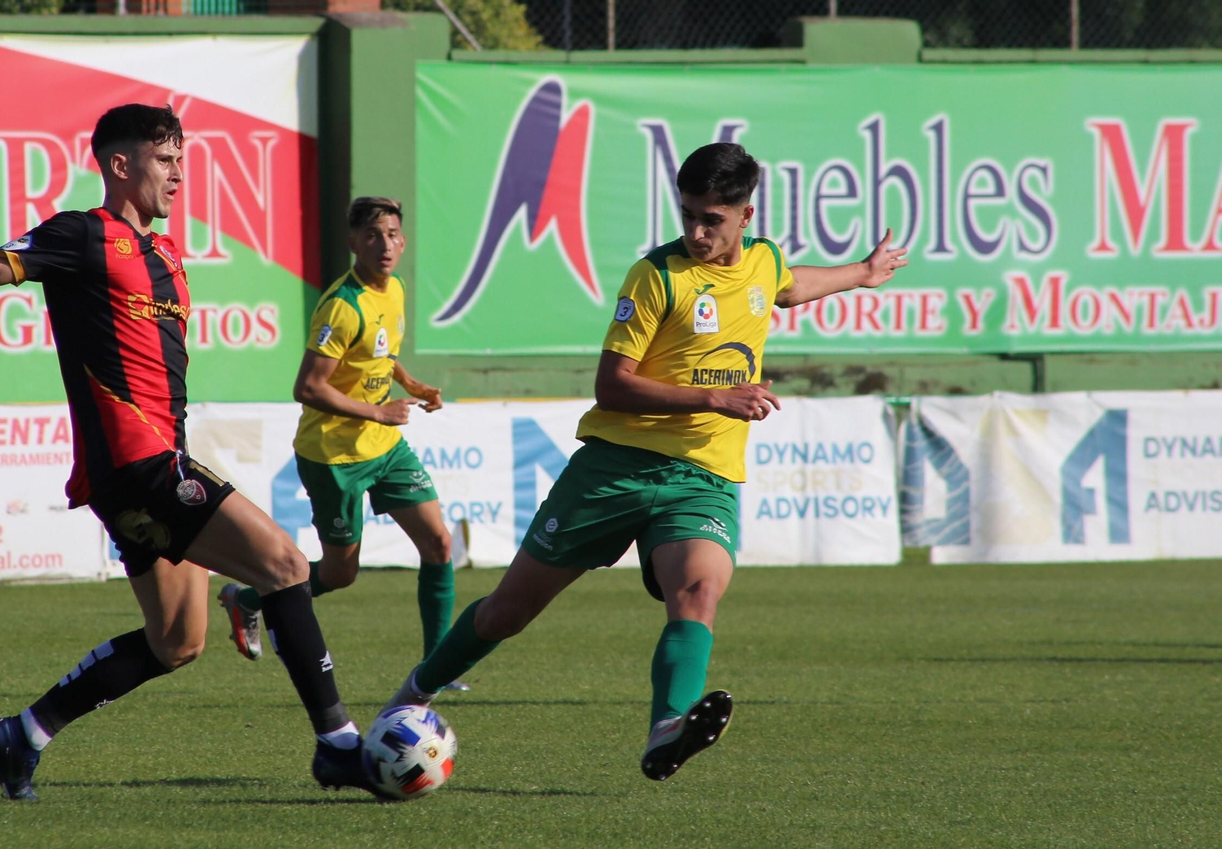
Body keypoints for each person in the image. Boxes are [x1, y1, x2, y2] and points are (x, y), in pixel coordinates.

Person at [385, 142, 909, 780]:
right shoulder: (656, 276)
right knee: (507, 612)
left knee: (700, 591)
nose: (695, 231)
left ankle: (667, 727)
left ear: (746, 217)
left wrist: (863, 270)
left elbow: (794, 285)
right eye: (687, 214)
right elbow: (613, 385)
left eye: (711, 220)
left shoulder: (763, 262)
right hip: (617, 468)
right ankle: (413, 692)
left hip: (702, 476)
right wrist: (713, 395)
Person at [0, 103, 376, 800]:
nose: (177, 176)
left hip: (147, 464)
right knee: (285, 565)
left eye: (182, 162)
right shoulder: (81, 235)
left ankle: (25, 733)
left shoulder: (164, 254)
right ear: (118, 164)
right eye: (165, 162)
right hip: (138, 466)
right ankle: (339, 745)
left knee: (178, 641)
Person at [216, 198, 467, 690]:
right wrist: (379, 410)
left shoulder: (394, 289)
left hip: (384, 446)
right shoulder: (341, 305)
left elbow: (379, 352)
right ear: (354, 243)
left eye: (393, 234)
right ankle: (247, 600)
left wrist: (411, 384)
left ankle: (437, 669)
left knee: (438, 543)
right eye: (373, 235)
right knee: (339, 573)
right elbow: (308, 387)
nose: (385, 244)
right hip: (333, 456)